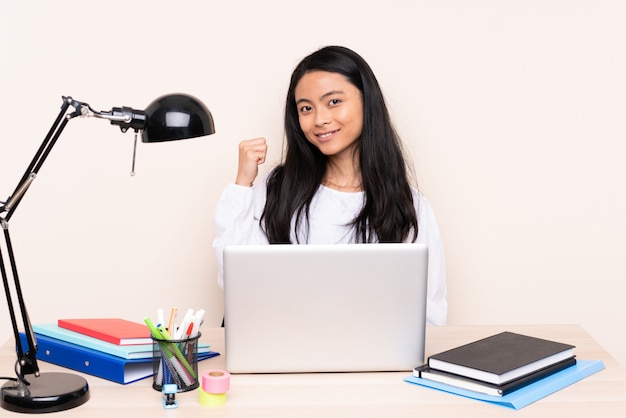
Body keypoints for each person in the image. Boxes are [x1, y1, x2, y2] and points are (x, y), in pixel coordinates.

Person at [213, 46, 447, 325]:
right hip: (286, 353)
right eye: (306, 108)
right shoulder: (278, 190)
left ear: (366, 101)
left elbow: (430, 315)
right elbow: (238, 281)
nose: (320, 119)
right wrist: (243, 184)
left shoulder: (410, 205)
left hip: (372, 361)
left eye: (333, 101)